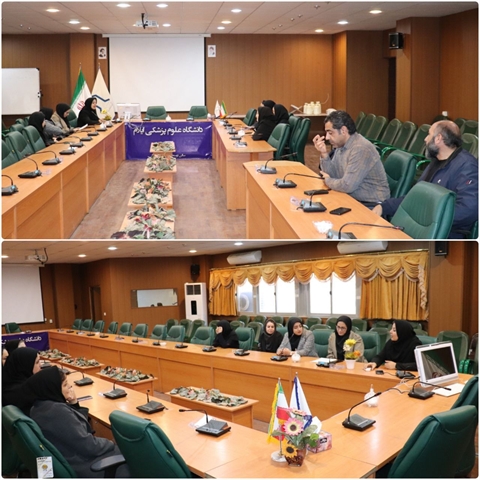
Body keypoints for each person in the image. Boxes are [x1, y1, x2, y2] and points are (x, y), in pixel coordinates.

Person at [373, 120, 478, 238]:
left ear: (438, 138)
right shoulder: (436, 162)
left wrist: (428, 217)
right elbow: (414, 198)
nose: (425, 139)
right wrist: (384, 207)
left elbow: (468, 210)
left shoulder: (468, 166)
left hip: (445, 234)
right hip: (421, 224)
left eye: (429, 134)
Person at [27, 366, 127, 478]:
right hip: (84, 465)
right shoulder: (57, 411)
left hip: (69, 458)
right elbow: (89, 446)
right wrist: (111, 442)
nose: (70, 387)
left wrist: (74, 403)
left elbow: (76, 428)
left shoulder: (38, 407)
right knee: (131, 453)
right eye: (65, 384)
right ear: (52, 387)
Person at [313, 110, 390, 207]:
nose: (327, 137)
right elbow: (332, 175)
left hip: (371, 205)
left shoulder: (360, 148)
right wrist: (324, 153)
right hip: (352, 198)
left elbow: (347, 186)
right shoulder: (341, 145)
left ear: (343, 130)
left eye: (330, 133)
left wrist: (327, 180)